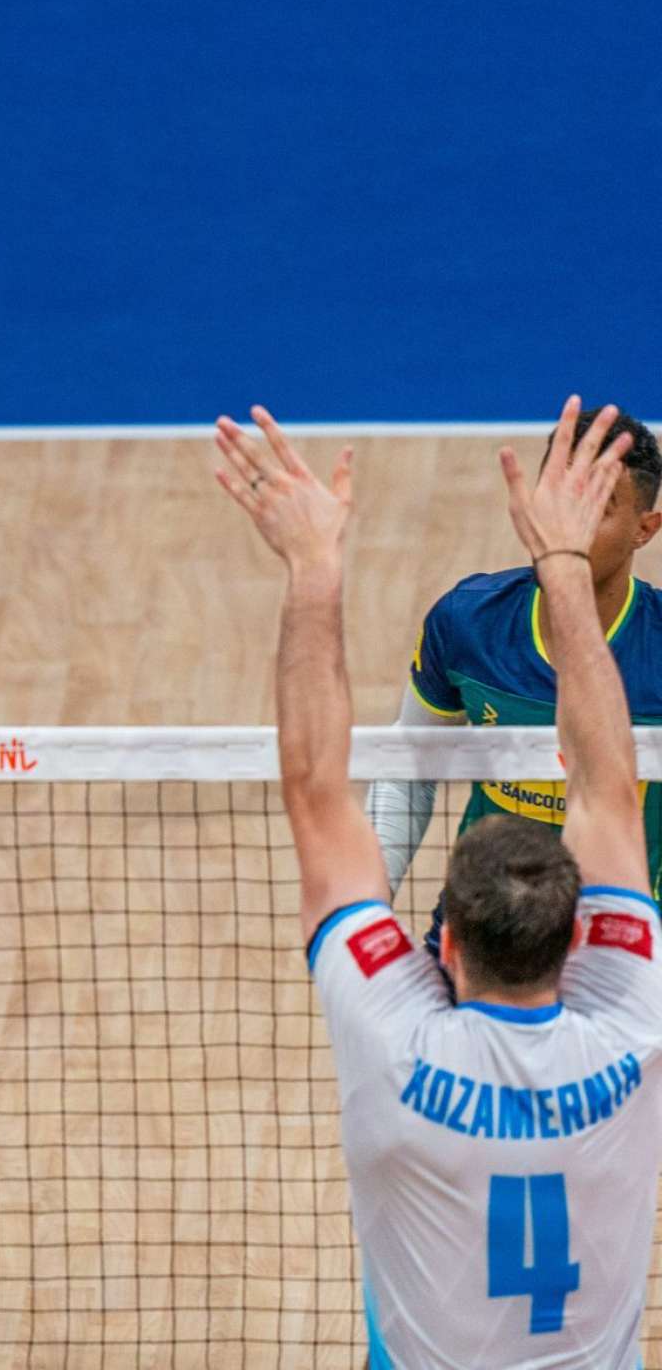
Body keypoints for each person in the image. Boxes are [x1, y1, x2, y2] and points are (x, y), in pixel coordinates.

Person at [216, 395, 662, 1369]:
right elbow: (610, 795)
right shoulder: (637, 1027)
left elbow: (313, 793)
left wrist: (313, 570)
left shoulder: (395, 1046)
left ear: (441, 946)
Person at [365, 409, 662, 946]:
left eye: (596, 505)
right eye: (559, 495)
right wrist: (373, 899)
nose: (567, 522)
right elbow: (407, 765)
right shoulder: (467, 623)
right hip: (483, 929)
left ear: (645, 528)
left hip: (625, 947)